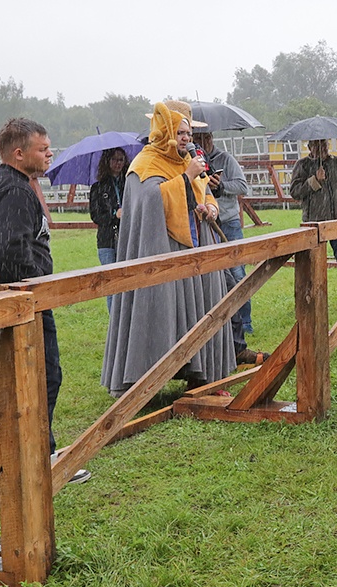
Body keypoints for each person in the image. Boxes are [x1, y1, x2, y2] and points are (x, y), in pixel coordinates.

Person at [0, 118, 90, 482]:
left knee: (6, 374)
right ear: (19, 154)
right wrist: (33, 292)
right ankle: (20, 458)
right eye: (42, 148)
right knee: (44, 375)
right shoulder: (16, 190)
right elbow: (11, 252)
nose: (50, 152)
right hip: (17, 297)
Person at [101, 101, 236, 397]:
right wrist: (185, 178)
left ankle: (202, 376)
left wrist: (210, 209)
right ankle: (143, 377)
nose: (187, 138)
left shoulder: (187, 160)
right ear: (164, 132)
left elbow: (207, 192)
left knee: (204, 309)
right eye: (181, 132)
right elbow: (150, 202)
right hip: (161, 251)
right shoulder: (144, 164)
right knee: (159, 309)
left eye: (189, 132)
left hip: (197, 249)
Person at [192, 131, 254, 332]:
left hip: (228, 221)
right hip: (205, 224)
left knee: (237, 272)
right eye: (199, 138)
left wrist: (222, 186)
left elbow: (242, 186)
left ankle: (245, 322)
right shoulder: (192, 162)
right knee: (213, 275)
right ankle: (222, 322)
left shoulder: (225, 159)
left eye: (207, 137)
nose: (204, 142)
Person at [288, 138, 337, 304]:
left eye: (324, 144)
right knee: (312, 266)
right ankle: (311, 301)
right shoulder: (302, 165)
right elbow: (295, 192)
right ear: (310, 147)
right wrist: (314, 180)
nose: (322, 148)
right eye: (317, 145)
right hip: (315, 223)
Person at [89, 147, 129, 311]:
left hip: (126, 238)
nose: (118, 163)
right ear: (107, 161)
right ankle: (115, 323)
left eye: (121, 159)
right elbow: (96, 216)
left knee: (127, 282)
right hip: (107, 241)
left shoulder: (129, 183)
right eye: (114, 159)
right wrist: (114, 214)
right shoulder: (98, 188)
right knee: (112, 284)